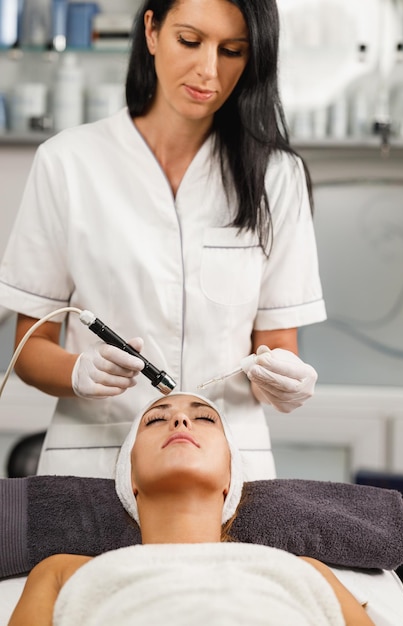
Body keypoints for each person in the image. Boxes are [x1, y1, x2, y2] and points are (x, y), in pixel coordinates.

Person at [0, 0, 326, 479]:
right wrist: (75, 372)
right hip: (96, 463)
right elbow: (29, 347)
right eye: (190, 42)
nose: (208, 71)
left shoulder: (277, 176)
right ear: (152, 31)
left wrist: (283, 382)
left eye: (232, 51)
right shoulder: (68, 162)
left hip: (225, 469)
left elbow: (276, 344)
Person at [8, 393, 374, 626]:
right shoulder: (59, 573)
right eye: (155, 419)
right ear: (129, 476)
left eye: (204, 418)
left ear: (232, 477)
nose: (180, 421)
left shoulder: (302, 569)